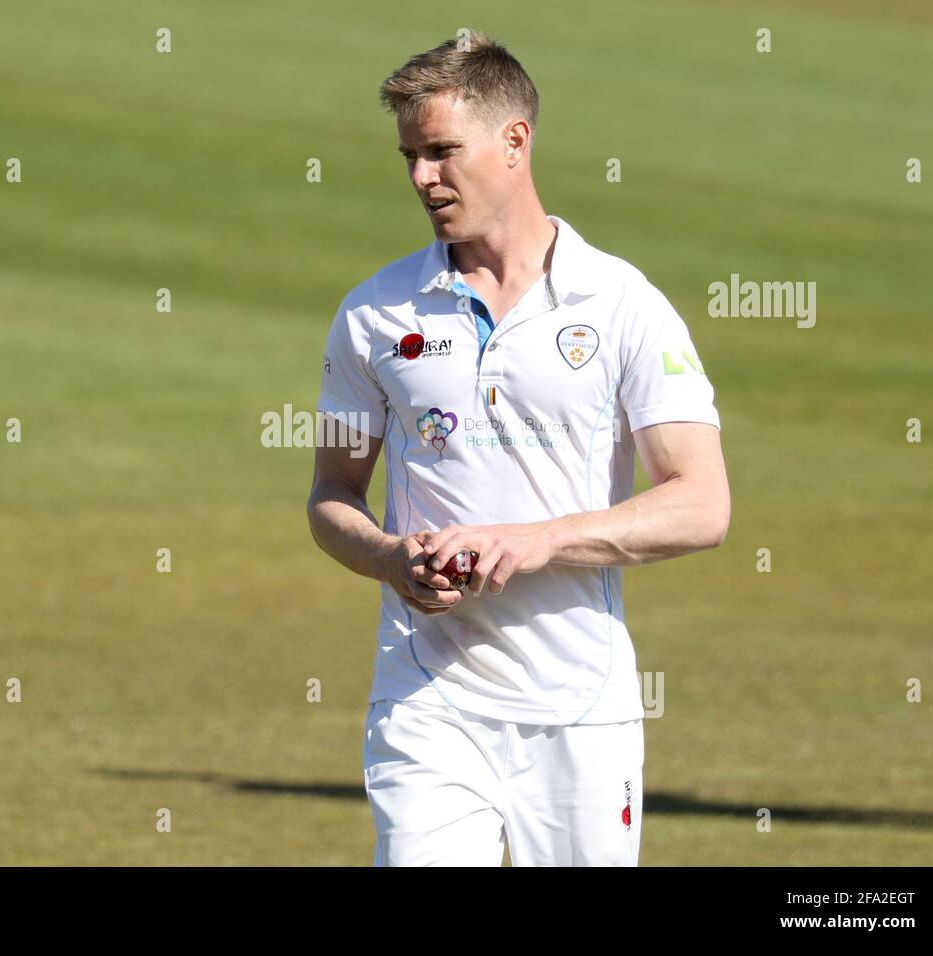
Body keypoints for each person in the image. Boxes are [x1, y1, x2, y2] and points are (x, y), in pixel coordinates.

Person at [306, 33, 731, 866]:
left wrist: (533, 542)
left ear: (515, 141)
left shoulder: (621, 305)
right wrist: (391, 557)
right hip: (425, 699)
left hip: (579, 707)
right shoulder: (373, 314)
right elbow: (330, 495)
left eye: (440, 152)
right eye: (410, 157)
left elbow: (702, 503)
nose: (422, 178)